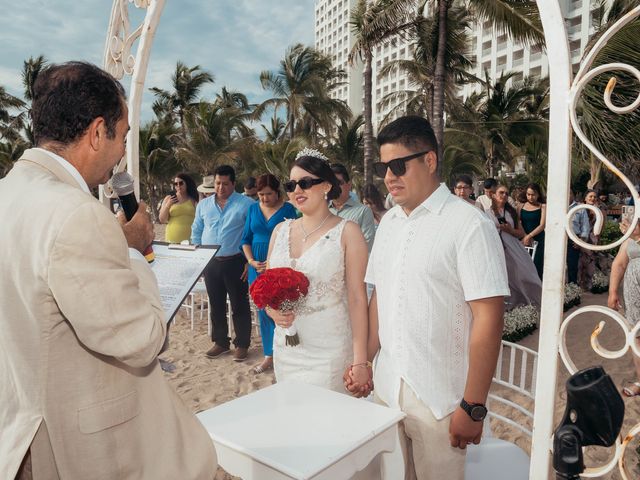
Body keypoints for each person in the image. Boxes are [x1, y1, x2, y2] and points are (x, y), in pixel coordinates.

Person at [0, 61, 216, 480]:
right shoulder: (76, 214)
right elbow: (141, 340)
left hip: (19, 427)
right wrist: (134, 251)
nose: (121, 153)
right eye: (123, 136)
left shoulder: (7, 195)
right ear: (98, 132)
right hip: (73, 446)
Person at [360, 116, 509, 479]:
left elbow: (489, 317)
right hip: (386, 387)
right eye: (384, 167)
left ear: (429, 161)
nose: (389, 177)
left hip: (440, 398)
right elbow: (380, 296)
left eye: (399, 165)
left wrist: (473, 406)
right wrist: (364, 359)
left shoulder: (469, 225)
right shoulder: (389, 224)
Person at [266, 148, 370, 395]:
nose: (296, 191)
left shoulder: (348, 232)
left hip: (330, 353)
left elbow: (357, 299)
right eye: (291, 185)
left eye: (305, 183)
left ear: (326, 186)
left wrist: (360, 360)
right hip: (286, 348)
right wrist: (272, 311)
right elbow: (266, 290)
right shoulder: (280, 232)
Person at [192, 165, 255, 361]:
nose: (221, 187)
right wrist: (199, 258)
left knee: (239, 305)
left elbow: (251, 234)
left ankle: (242, 344)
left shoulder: (247, 204)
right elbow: (196, 231)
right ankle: (221, 342)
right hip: (211, 262)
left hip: (236, 261)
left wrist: (248, 261)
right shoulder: (203, 205)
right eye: (218, 183)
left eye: (225, 184)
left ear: (233, 184)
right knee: (216, 304)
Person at [241, 174, 297, 374]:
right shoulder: (253, 209)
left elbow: (295, 238)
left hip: (279, 269)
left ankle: (287, 352)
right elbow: (245, 239)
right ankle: (269, 356)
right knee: (263, 312)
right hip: (257, 269)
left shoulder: (288, 210)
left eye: (268, 194)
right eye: (260, 194)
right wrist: (250, 261)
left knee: (282, 311)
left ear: (277, 192)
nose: (264, 198)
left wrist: (275, 263)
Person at [488, 184, 542, 309]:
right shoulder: (486, 213)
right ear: (493, 195)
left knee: (526, 274)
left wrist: (510, 230)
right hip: (496, 249)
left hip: (513, 247)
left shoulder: (511, 212)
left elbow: (521, 233)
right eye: (501, 192)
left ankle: (534, 302)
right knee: (505, 278)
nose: (504, 195)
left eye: (507, 193)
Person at [608, 213, 640, 396]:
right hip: (634, 293)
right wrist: (613, 291)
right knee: (636, 336)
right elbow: (619, 264)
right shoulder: (630, 237)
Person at [329, 162, 376, 250]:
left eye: (339, 183)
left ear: (349, 185)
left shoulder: (363, 211)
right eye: (331, 183)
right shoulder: (322, 210)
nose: (334, 187)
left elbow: (367, 245)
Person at [158, 172, 198, 243]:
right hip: (172, 238)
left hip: (190, 239)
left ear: (187, 183)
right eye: (176, 184)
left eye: (181, 183)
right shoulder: (168, 198)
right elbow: (162, 219)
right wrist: (168, 204)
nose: (178, 185)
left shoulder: (193, 198)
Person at [519, 183, 546, 279]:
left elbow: (542, 225)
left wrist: (529, 236)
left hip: (538, 239)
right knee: (524, 265)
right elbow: (518, 222)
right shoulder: (521, 206)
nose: (530, 197)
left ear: (538, 194)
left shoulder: (543, 207)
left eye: (533, 194)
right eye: (528, 194)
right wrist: (525, 236)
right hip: (523, 239)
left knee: (537, 265)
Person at [567, 190, 591, 284]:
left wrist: (579, 241)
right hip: (558, 240)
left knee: (572, 267)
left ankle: (572, 293)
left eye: (569, 193)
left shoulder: (580, 208)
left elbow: (585, 227)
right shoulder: (556, 206)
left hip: (573, 239)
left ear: (573, 195)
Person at [578, 189, 599, 290]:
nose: (592, 198)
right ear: (585, 198)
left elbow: (600, 227)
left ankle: (589, 284)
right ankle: (578, 285)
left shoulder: (598, 210)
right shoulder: (579, 209)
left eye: (594, 197)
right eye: (590, 196)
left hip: (592, 239)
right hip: (580, 238)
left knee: (590, 262)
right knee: (580, 262)